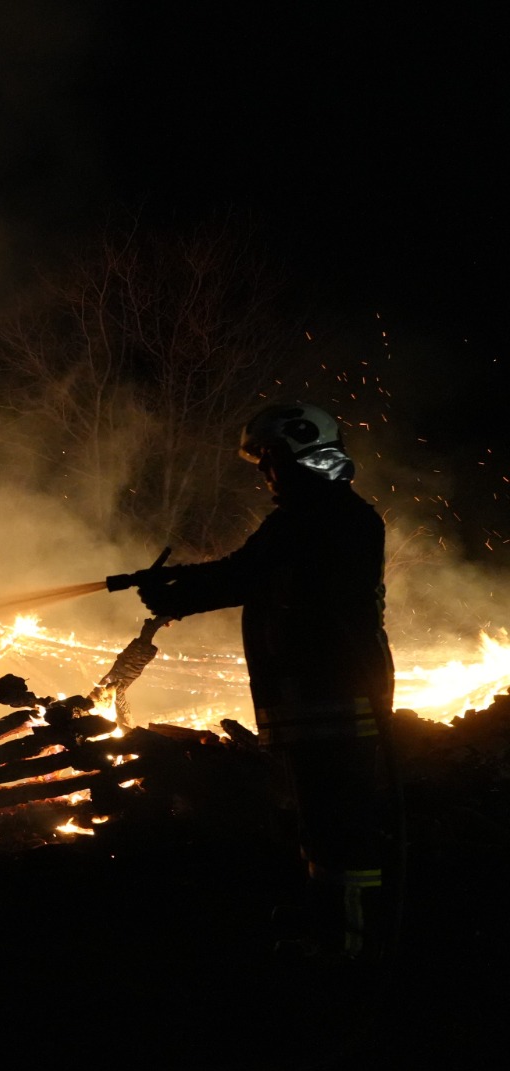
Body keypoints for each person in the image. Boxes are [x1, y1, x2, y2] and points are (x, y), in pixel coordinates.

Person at [136, 403, 398, 962]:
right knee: (317, 818)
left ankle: (347, 945)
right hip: (311, 697)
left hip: (338, 695)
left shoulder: (329, 516)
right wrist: (175, 587)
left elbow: (246, 574)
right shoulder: (309, 516)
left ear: (302, 453)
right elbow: (249, 570)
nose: (264, 471)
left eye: (270, 458)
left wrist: (176, 593)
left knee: (340, 824)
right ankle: (324, 915)